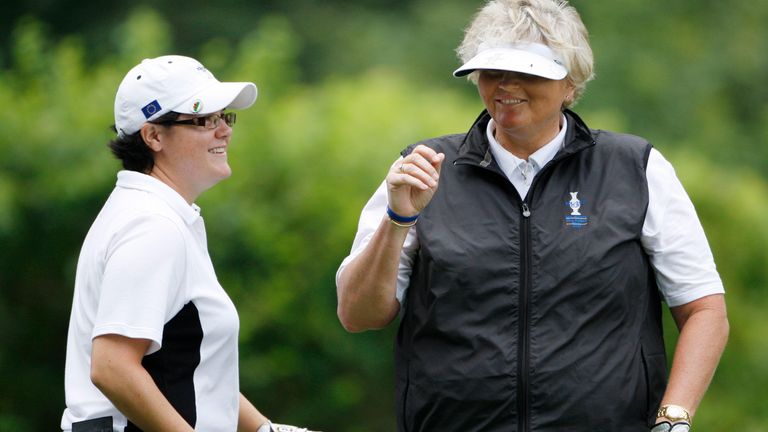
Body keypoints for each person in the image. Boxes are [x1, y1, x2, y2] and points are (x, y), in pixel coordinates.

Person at [335, 0, 729, 431]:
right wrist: (398, 220)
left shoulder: (636, 167)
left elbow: (704, 310)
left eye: (528, 72)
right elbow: (358, 315)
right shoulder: (423, 168)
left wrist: (674, 418)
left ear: (571, 83)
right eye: (492, 71)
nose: (506, 86)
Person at [61, 55, 316, 432]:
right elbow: (112, 368)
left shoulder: (158, 214)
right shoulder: (152, 226)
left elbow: (192, 371)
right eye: (202, 120)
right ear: (153, 136)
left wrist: (264, 429)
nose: (224, 130)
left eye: (223, 117)